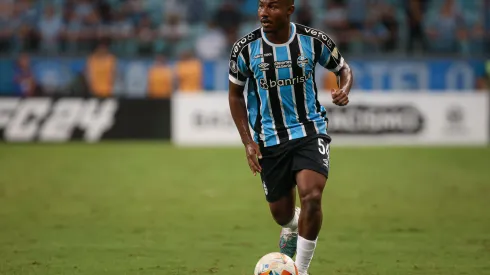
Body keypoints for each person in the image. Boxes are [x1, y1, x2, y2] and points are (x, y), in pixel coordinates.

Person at [227, 1, 353, 274]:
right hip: (270, 140)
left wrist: (344, 89)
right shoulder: (245, 48)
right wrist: (248, 141)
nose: (264, 12)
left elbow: (343, 68)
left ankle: (301, 269)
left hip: (309, 130)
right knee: (281, 214)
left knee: (312, 195)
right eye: (261, 5)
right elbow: (235, 95)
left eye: (272, 6)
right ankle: (293, 223)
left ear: (289, 10)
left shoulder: (313, 41)